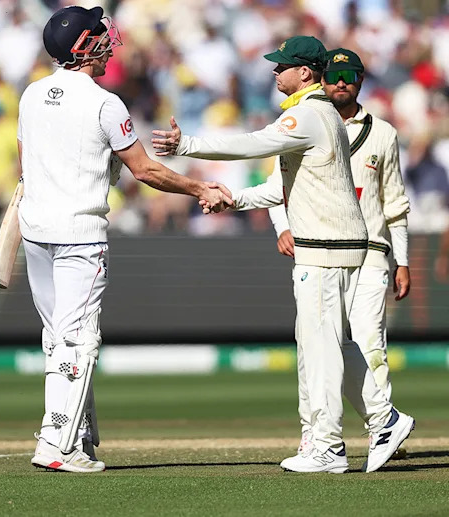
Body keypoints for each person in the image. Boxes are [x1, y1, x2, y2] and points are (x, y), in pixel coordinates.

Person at [152, 35, 414, 473]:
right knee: (331, 344)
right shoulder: (318, 113)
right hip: (335, 244)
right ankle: (384, 417)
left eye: (282, 66)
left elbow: (252, 144)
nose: (274, 73)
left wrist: (186, 146)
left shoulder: (310, 113)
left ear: (305, 73)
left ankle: (328, 448)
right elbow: (278, 189)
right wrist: (231, 199)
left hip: (326, 248)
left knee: (321, 348)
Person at [19, 5, 232, 473]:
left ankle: (77, 435)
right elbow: (146, 170)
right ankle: (56, 446)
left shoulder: (31, 95)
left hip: (35, 231)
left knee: (58, 339)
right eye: (98, 33)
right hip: (79, 234)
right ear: (83, 47)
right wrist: (200, 187)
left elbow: (31, 159)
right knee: (78, 341)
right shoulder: (104, 102)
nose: (106, 37)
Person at [264, 48, 412, 459]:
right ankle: (321, 431)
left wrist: (402, 259)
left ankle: (380, 428)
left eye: (350, 75)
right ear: (319, 79)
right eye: (334, 75)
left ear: (362, 81)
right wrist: (283, 226)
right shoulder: (307, 122)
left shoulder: (382, 133)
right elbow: (279, 183)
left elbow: (395, 203)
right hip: (321, 247)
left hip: (371, 252)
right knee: (316, 342)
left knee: (367, 338)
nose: (341, 82)